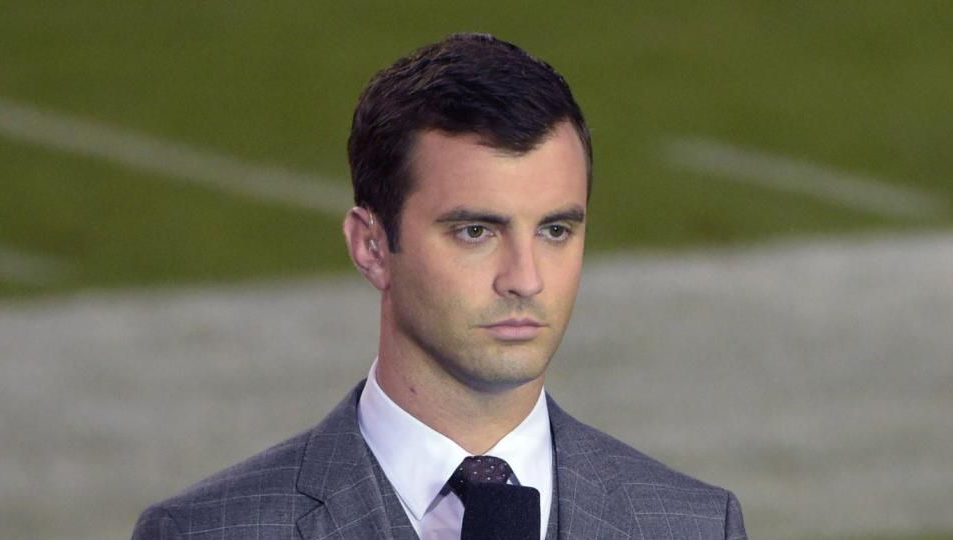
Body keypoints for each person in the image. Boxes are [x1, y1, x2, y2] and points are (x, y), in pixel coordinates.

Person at [132, 33, 747, 540]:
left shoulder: (696, 526)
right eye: (476, 231)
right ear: (372, 247)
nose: (525, 279)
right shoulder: (205, 533)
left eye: (556, 230)